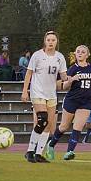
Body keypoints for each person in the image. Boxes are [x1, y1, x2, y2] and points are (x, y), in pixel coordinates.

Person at [44, 45, 91, 161]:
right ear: (75, 54)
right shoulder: (73, 69)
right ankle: (51, 145)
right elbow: (65, 86)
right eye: (78, 52)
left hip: (85, 102)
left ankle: (69, 151)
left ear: (88, 55)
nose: (80, 53)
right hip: (71, 101)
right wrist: (72, 79)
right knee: (63, 127)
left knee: (78, 127)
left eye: (83, 52)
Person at [21, 31, 68, 163]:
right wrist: (25, 91)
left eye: (53, 40)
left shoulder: (60, 57)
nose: (51, 42)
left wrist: (70, 78)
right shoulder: (37, 55)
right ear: (45, 41)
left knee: (48, 125)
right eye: (48, 40)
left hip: (51, 94)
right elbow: (29, 74)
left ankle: (38, 154)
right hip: (37, 92)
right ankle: (30, 151)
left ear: (56, 42)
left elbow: (63, 76)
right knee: (42, 119)